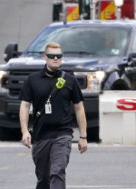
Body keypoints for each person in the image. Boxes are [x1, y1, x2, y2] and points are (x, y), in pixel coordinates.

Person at [19, 42, 87, 189]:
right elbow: (24, 106)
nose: (55, 58)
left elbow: (79, 108)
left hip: (62, 134)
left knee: (57, 172)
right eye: (51, 56)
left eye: (59, 56)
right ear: (45, 57)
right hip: (40, 136)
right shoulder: (33, 80)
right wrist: (25, 131)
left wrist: (83, 136)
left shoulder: (70, 80)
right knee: (43, 178)